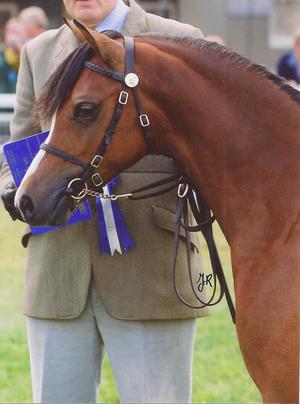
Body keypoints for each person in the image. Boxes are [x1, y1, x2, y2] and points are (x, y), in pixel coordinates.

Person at [1, 1, 208, 402]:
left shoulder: (180, 40)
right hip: (57, 271)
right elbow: (21, 138)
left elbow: (206, 146)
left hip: (153, 269)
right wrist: (12, 184)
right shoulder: (37, 51)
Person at [0, 18, 26, 93]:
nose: (14, 36)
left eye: (17, 32)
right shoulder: (2, 54)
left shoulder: (29, 54)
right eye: (11, 32)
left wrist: (21, 51)